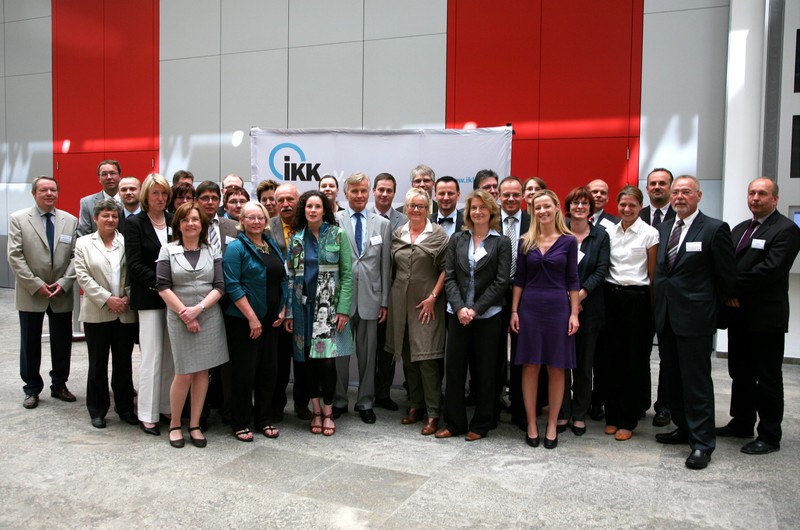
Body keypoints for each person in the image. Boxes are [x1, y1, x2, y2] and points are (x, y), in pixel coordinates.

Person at [653, 175, 736, 470]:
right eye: (676, 193)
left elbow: (726, 277)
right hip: (666, 318)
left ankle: (702, 443)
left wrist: (717, 313)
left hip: (696, 320)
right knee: (672, 379)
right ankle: (684, 428)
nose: (679, 197)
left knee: (697, 383)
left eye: (686, 192)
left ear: (699, 196)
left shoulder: (714, 229)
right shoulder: (663, 229)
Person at [719, 177, 800, 455]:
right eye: (752, 193)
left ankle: (769, 434)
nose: (755, 198)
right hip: (738, 315)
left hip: (766, 318)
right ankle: (741, 421)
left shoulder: (786, 230)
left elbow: (770, 270)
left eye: (762, 194)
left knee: (766, 377)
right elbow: (726, 263)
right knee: (739, 372)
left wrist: (730, 287)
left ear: (775, 199)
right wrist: (727, 288)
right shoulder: (740, 229)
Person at [436, 190, 511, 441]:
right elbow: (450, 276)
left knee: (486, 371)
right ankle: (455, 422)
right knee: (455, 370)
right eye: (473, 208)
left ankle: (481, 424)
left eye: (482, 207)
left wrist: (475, 309)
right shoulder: (458, 238)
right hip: (457, 314)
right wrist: (459, 308)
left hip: (488, 316)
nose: (477, 212)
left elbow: (501, 282)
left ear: (491, 211)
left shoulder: (501, 242)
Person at [510, 190, 580, 449]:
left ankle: (552, 424)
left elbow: (573, 280)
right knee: (530, 366)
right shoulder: (525, 241)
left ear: (557, 207)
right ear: (532, 211)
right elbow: (519, 279)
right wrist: (514, 311)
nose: (542, 211)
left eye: (546, 206)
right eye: (537, 207)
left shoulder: (569, 241)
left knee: (556, 367)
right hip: (530, 308)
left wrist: (574, 313)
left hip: (558, 309)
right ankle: (531, 423)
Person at [156, 202, 228, 448]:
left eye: (195, 219)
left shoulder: (212, 251)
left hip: (208, 316)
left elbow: (220, 286)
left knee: (202, 372)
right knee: (184, 373)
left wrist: (198, 310)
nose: (191, 224)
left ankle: (195, 424)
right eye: (185, 220)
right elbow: (163, 286)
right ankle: (176, 424)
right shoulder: (168, 250)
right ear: (178, 224)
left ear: (202, 224)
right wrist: (185, 314)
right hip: (179, 317)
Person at [285, 191, 354, 437]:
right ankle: (315, 411)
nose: (313, 210)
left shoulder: (337, 235)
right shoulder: (296, 240)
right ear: (303, 210)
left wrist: (344, 309)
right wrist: (289, 314)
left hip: (327, 311)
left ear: (325, 210)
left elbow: (347, 274)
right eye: (308, 206)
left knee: (326, 363)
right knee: (306, 364)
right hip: (303, 310)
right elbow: (291, 278)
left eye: (317, 206)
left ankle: (328, 411)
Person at [8, 176, 78, 409]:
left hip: (61, 292)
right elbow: (15, 256)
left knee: (62, 342)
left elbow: (75, 256)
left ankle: (59, 385)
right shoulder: (18, 219)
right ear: (34, 193)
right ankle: (31, 389)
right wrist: (36, 283)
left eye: (53, 190)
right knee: (30, 342)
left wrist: (64, 282)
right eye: (44, 190)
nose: (49, 193)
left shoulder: (70, 220)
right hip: (31, 292)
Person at [385, 188, 449, 436]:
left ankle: (433, 413)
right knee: (409, 357)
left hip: (427, 306)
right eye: (412, 205)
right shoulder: (398, 233)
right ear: (406, 208)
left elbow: (446, 269)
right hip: (401, 304)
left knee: (427, 359)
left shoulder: (438, 235)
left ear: (428, 209)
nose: (416, 210)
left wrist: (434, 296)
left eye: (421, 206)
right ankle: (416, 406)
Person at [222, 202, 287, 442]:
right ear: (242, 220)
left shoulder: (270, 245)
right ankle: (240, 422)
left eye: (260, 217)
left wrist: (283, 308)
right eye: (251, 218)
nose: (256, 222)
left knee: (268, 372)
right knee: (244, 374)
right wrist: (251, 318)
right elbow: (232, 284)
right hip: (245, 322)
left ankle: (264, 419)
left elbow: (282, 278)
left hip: (271, 322)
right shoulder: (236, 248)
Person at [332, 173, 392, 424]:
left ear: (369, 193)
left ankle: (366, 401)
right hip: (342, 302)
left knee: (368, 356)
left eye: (363, 191)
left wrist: (385, 301)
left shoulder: (382, 224)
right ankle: (338, 400)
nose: (359, 196)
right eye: (354, 191)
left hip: (371, 299)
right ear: (345, 193)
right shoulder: (334, 220)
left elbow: (385, 266)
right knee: (340, 356)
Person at [74, 198, 138, 428]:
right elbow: (83, 276)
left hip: (124, 311)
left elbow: (133, 273)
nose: (110, 220)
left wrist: (125, 297)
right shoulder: (83, 243)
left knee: (124, 364)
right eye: (105, 216)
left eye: (114, 216)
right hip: (97, 314)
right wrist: (107, 299)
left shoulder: (126, 241)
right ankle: (98, 410)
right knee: (97, 364)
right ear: (95, 218)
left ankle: (125, 408)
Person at [601, 186, 658, 441]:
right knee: (611, 359)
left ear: (640, 206)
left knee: (633, 361)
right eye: (622, 205)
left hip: (637, 300)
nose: (626, 209)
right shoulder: (609, 231)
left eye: (632, 205)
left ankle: (628, 418)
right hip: (611, 298)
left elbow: (653, 275)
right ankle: (612, 416)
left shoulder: (650, 233)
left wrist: (654, 309)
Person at [124, 173, 174, 436]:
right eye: (155, 193)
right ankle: (147, 413)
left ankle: (166, 406)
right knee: (152, 356)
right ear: (146, 196)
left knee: (170, 357)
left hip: (175, 299)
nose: (160, 198)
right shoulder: (134, 223)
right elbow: (134, 264)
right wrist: (162, 283)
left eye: (164, 193)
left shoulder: (172, 219)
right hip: (150, 298)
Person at [557, 187, 609, 436]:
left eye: (584, 203)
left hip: (589, 308)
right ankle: (562, 412)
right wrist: (568, 299)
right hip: (559, 306)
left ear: (591, 208)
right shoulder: (558, 231)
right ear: (568, 206)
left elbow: (601, 270)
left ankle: (579, 413)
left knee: (584, 365)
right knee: (561, 363)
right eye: (575, 203)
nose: (580, 207)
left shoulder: (600, 236)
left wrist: (579, 297)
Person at [270, 183, 312, 421]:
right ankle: (277, 404)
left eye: (290, 199)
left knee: (304, 357)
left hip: (305, 302)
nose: (286, 204)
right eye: (281, 200)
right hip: (279, 302)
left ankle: (302, 403)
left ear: (299, 201)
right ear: (275, 203)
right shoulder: (267, 227)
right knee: (280, 359)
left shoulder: (309, 226)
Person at [639, 168, 676, 427]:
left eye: (662, 183)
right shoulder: (635, 215)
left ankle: (665, 406)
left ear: (670, 188)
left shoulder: (681, 217)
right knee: (639, 354)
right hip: (639, 297)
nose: (657, 187)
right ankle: (639, 402)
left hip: (668, 299)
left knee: (668, 356)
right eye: (652, 183)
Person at [370, 172, 407, 411]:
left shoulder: (404, 220)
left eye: (389, 190)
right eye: (380, 189)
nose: (384, 194)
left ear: (394, 193)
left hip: (394, 292)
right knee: (365, 347)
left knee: (386, 346)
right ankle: (364, 392)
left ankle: (382, 393)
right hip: (366, 290)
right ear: (374, 191)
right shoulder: (364, 217)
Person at [498, 176, 531, 428]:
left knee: (522, 352)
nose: (510, 199)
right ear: (499, 195)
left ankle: (521, 409)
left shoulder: (534, 222)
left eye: (515, 194)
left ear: (523, 197)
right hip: (494, 293)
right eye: (506, 194)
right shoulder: (487, 219)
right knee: (493, 352)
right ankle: (493, 405)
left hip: (526, 295)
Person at [77, 160, 122, 237]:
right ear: (99, 179)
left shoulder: (131, 201)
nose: (109, 177)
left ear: (119, 176)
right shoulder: (87, 203)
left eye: (112, 173)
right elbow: (83, 234)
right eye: (104, 174)